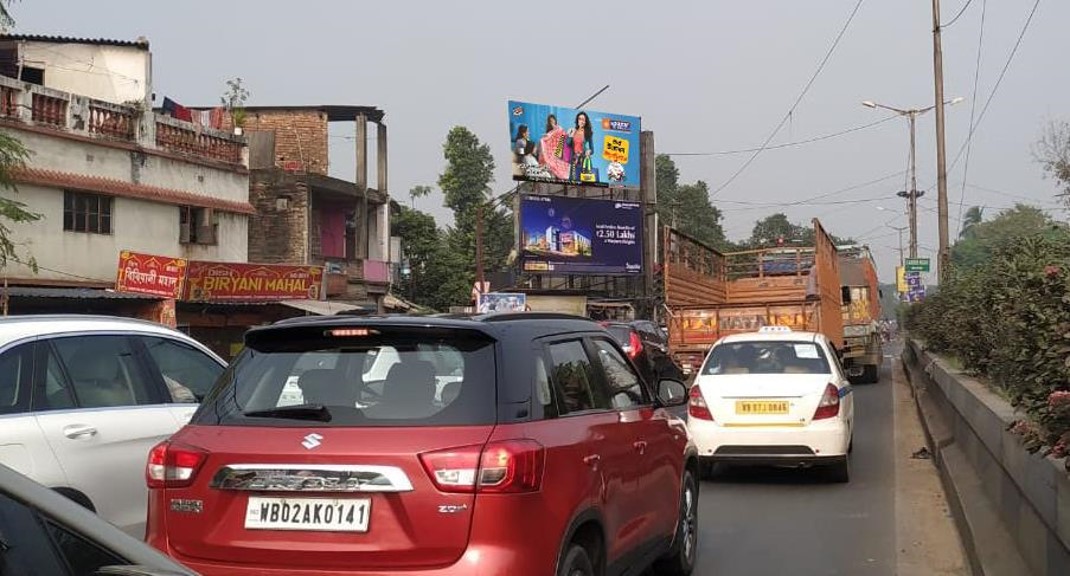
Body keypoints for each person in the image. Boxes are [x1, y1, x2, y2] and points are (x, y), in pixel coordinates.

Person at [568, 111, 595, 182]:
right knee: (572, 181)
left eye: (583, 119)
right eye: (580, 119)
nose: (581, 121)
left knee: (584, 182)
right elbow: (568, 143)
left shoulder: (588, 132)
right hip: (574, 159)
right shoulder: (573, 130)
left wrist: (589, 151)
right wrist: (571, 135)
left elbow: (592, 149)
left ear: (586, 121)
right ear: (577, 120)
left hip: (583, 159)